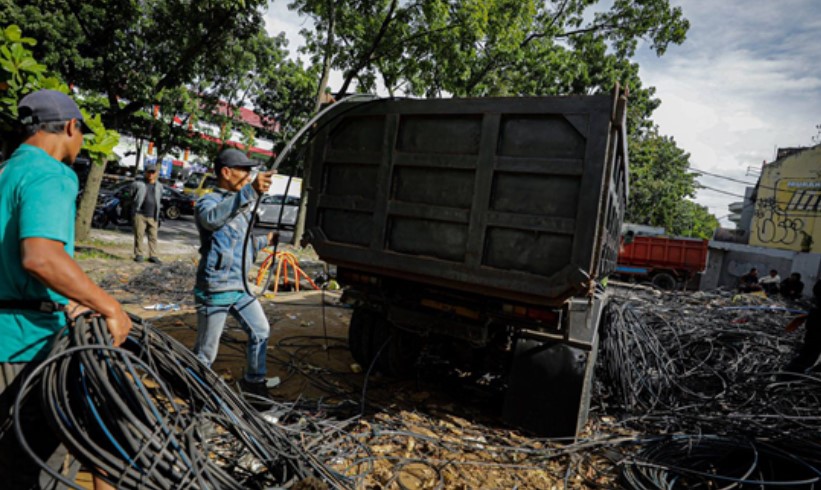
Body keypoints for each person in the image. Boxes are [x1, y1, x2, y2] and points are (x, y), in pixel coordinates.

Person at [0, 90, 132, 489]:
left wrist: (70, 295)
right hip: (28, 344)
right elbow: (41, 258)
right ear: (72, 127)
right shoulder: (51, 174)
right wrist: (110, 307)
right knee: (42, 467)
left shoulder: (6, 171)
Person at [192, 149, 277, 402]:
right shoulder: (209, 202)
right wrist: (249, 191)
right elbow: (211, 220)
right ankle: (195, 391)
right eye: (244, 171)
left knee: (260, 331)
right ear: (226, 172)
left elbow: (241, 245)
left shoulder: (242, 204)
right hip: (215, 288)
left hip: (240, 286)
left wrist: (266, 240)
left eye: (251, 172)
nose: (248, 176)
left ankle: (254, 384)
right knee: (206, 352)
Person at [784, 279, 821, 374]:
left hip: (815, 319)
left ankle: (793, 372)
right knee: (811, 350)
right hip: (816, 324)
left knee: (809, 350)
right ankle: (795, 373)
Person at [131, 163, 163, 263]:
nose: (151, 174)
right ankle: (139, 254)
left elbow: (159, 198)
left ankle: (153, 255)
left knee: (153, 237)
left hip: (153, 215)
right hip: (140, 214)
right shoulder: (138, 184)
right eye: (149, 172)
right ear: (145, 172)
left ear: (156, 173)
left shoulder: (159, 186)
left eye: (153, 172)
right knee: (139, 235)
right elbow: (132, 196)